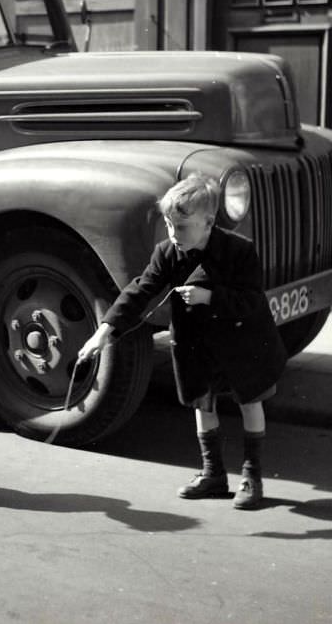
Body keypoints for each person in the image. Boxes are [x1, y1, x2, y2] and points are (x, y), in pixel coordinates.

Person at [78, 174, 287, 510]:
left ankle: (252, 474)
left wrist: (210, 297)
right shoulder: (168, 252)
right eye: (169, 225)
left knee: (250, 401)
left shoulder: (239, 251)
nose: (174, 235)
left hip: (242, 342)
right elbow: (140, 290)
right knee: (201, 402)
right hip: (197, 344)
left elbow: (252, 301)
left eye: (183, 227)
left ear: (208, 223)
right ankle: (213, 473)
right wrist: (103, 332)